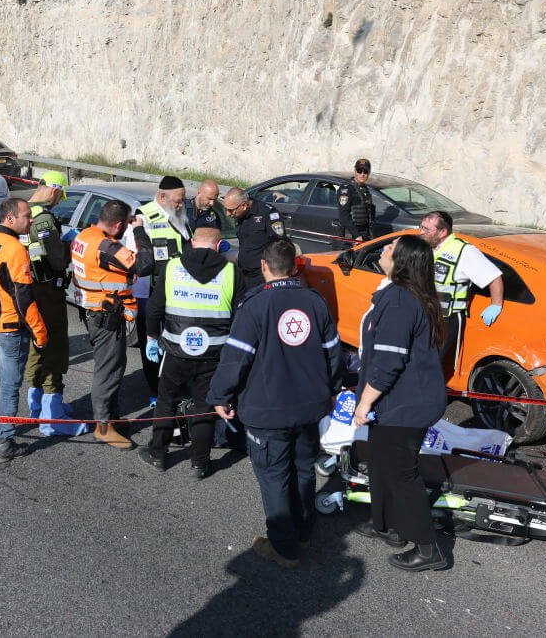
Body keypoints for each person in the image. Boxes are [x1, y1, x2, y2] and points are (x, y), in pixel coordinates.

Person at [207, 239, 341, 568]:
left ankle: (284, 548)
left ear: (264, 267)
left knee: (274, 477)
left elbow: (235, 358)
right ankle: (304, 533)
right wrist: (332, 391)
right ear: (295, 267)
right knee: (304, 470)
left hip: (268, 413)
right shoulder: (315, 302)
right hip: (310, 408)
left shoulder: (254, 305)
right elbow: (334, 354)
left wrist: (219, 396)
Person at [351, 234, 449, 572]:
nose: (383, 250)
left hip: (407, 404)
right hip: (398, 400)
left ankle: (429, 547)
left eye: (390, 249)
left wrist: (363, 403)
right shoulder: (404, 296)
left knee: (400, 472)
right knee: (379, 462)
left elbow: (389, 361)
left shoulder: (399, 300)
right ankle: (387, 526)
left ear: (403, 262)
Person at [140, 227, 245, 478]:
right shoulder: (232, 271)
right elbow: (242, 316)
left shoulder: (173, 266)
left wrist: (151, 338)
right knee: (204, 407)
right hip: (214, 354)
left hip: (176, 350)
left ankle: (158, 454)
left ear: (192, 242)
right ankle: (199, 463)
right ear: (219, 246)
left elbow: (154, 309)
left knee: (166, 402)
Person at [0, 198, 48, 462]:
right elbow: (23, 297)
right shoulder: (14, 249)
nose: (32, 220)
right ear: (10, 218)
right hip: (9, 327)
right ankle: (4, 443)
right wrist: (40, 333)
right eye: (27, 216)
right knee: (10, 385)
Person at [71, 199, 154, 449]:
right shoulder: (106, 246)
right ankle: (103, 427)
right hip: (106, 315)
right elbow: (145, 264)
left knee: (114, 366)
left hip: (97, 311)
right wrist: (139, 230)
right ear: (119, 224)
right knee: (108, 371)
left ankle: (113, 418)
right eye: (127, 224)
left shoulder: (85, 235)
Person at [23, 171, 86, 436]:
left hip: (28, 289)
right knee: (55, 347)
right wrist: (69, 245)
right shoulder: (45, 219)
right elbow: (58, 260)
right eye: (60, 195)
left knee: (37, 346)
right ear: (53, 190)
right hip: (47, 291)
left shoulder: (24, 211)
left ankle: (36, 405)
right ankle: (52, 416)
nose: (60, 200)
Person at [418, 211, 504, 375]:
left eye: (427, 229)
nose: (421, 232)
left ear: (443, 232)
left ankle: (427, 398)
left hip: (445, 319)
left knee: (429, 366)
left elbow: (494, 277)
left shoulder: (464, 251)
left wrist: (496, 305)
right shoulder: (427, 245)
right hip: (424, 315)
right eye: (421, 227)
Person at [223, 188, 288, 296]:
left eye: (230, 210)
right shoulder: (240, 214)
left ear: (243, 205)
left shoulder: (268, 213)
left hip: (262, 277)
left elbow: (280, 245)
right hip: (244, 274)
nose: (228, 214)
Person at [136, 176, 192, 288]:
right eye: (178, 201)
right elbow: (139, 265)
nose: (181, 205)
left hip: (182, 287)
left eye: (183, 200)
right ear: (162, 197)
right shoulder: (143, 219)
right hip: (158, 290)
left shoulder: (179, 217)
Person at [337, 158, 376, 242]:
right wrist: (357, 235)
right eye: (359, 171)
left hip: (364, 234)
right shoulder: (347, 189)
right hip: (352, 235)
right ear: (355, 171)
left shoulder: (365, 189)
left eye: (365, 172)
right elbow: (343, 216)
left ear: (368, 173)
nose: (362, 174)